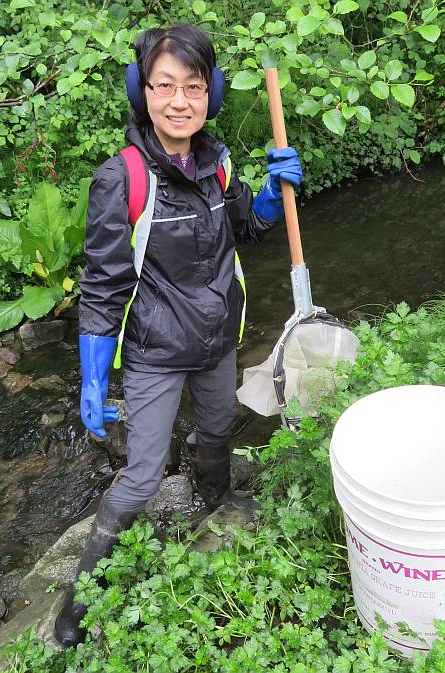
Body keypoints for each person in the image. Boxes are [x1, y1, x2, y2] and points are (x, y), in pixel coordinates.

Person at [54, 23, 302, 647]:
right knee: (139, 476)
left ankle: (214, 506)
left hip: (218, 342)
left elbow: (248, 225)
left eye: (193, 86)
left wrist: (272, 193)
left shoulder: (217, 164)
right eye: (164, 85)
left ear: (211, 93)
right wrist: (92, 376)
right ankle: (75, 607)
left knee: (218, 428)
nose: (180, 101)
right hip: (156, 354)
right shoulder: (124, 179)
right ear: (144, 92)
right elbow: (105, 286)